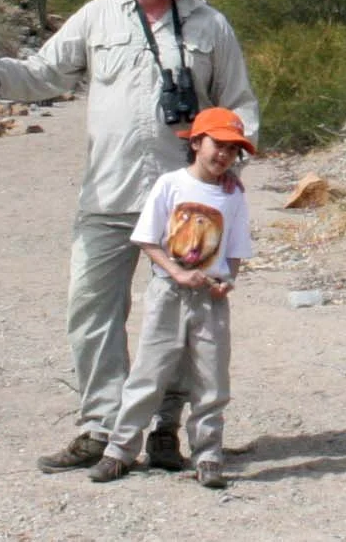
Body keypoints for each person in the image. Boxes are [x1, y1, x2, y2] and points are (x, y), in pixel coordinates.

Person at [0, 0, 259, 475]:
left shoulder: (210, 25)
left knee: (181, 317)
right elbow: (42, 75)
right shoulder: (96, 16)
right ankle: (102, 428)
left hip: (184, 200)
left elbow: (238, 103)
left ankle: (164, 428)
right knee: (90, 310)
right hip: (108, 192)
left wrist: (232, 163)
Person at [88, 106, 254, 487]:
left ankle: (207, 455)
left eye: (233, 149)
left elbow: (235, 248)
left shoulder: (233, 196)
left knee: (211, 378)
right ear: (196, 142)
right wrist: (176, 271)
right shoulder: (170, 184)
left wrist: (227, 279)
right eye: (218, 145)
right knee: (149, 372)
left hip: (210, 297)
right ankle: (120, 450)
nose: (224, 155)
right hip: (168, 291)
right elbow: (147, 238)